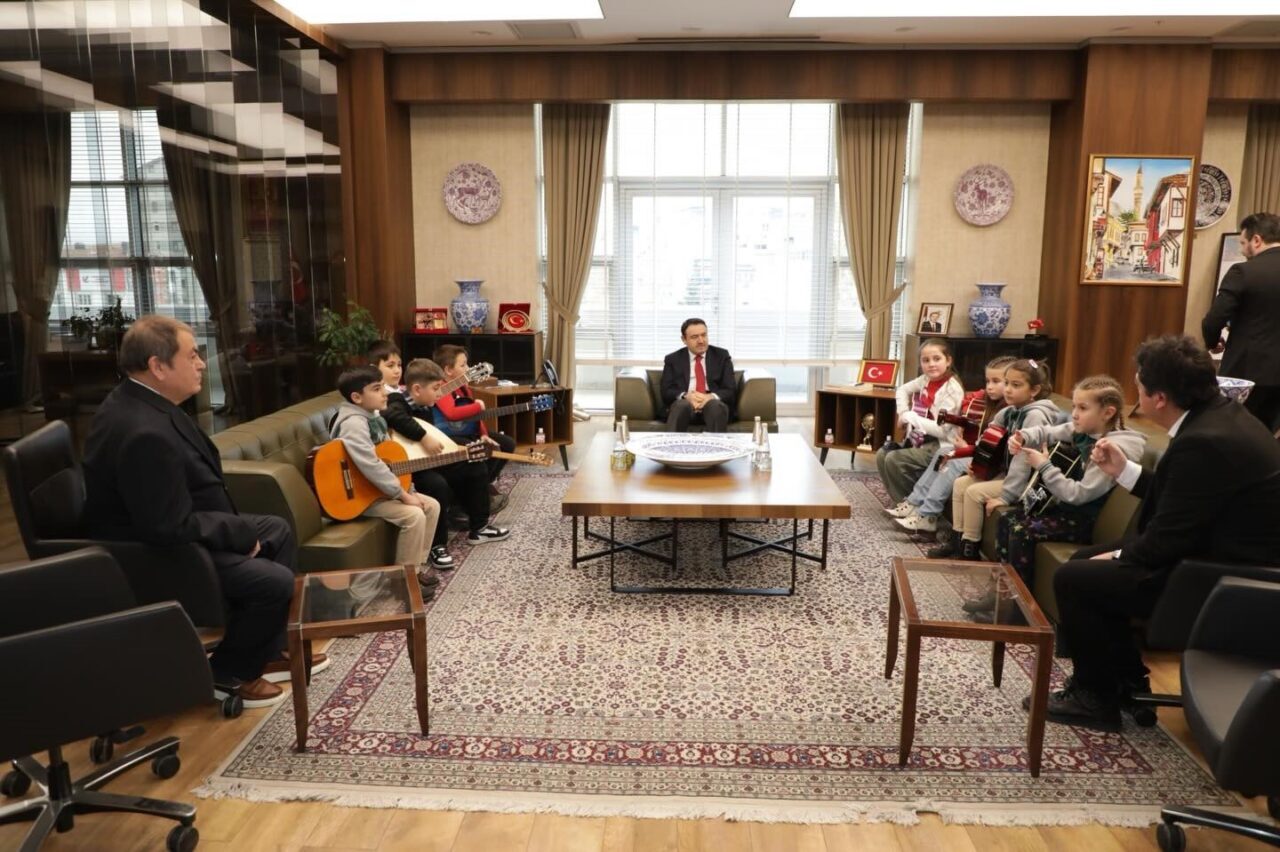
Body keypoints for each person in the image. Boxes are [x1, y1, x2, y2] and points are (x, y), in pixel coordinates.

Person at [1037, 336, 1280, 731]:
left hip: (1217, 575)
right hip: (1209, 550)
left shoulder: (1205, 440)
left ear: (1160, 397)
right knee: (1084, 562)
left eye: (1139, 386)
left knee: (1076, 576)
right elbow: (1186, 500)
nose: (1137, 395)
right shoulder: (1219, 419)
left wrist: (1118, 557)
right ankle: (1125, 681)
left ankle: (1095, 698)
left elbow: (1168, 538)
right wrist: (1124, 471)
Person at [83, 316, 314, 708]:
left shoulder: (143, 401)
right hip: (159, 557)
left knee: (276, 529)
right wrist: (237, 534)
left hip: (180, 529)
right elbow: (166, 526)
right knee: (274, 583)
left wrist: (240, 531)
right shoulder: (143, 432)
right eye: (192, 356)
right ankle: (228, 672)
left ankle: (267, 649)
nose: (202, 364)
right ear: (158, 366)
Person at [969, 375, 1145, 622]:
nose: (1074, 414)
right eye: (1074, 406)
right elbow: (1047, 431)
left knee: (1021, 530)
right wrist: (1022, 436)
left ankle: (1018, 611)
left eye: (1082, 408)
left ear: (1108, 413)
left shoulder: (1111, 448)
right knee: (1007, 520)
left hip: (1084, 519)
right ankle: (1000, 593)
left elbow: (1078, 495)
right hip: (1064, 510)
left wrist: (1044, 466)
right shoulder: (1082, 430)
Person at [929, 359, 1063, 561]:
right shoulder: (1009, 411)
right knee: (960, 484)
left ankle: (969, 549)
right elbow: (986, 441)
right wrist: (976, 465)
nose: (1007, 389)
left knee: (974, 492)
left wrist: (1006, 496)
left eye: (1016, 385)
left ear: (1034, 390)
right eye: (1007, 383)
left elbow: (1022, 462)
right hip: (1007, 474)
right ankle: (957, 541)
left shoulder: (1035, 416)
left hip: (1026, 483)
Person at [329, 366, 442, 592]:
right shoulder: (353, 423)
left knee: (432, 506)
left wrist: (409, 489)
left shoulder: (374, 416)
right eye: (376, 389)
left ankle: (414, 570)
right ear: (357, 397)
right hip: (359, 496)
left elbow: (389, 458)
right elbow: (370, 465)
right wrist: (402, 495)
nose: (384, 393)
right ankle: (401, 581)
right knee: (413, 515)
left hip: (377, 490)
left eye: (382, 387)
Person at [385, 357, 510, 556]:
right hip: (410, 467)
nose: (439, 393)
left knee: (474, 465)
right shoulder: (396, 400)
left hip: (428, 459)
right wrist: (424, 436)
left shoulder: (426, 405)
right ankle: (437, 545)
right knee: (437, 485)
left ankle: (479, 528)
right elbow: (394, 416)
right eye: (436, 389)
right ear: (417, 389)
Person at [891, 355, 1015, 534]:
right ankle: (914, 503)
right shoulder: (990, 403)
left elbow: (996, 451)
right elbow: (983, 437)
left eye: (996, 381)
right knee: (944, 451)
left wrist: (967, 448)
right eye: (988, 381)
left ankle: (927, 516)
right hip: (981, 453)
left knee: (954, 461)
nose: (989, 386)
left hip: (994, 465)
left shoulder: (1009, 411)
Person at [1202, 212, 1280, 432]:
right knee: (1269, 433)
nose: (1242, 250)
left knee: (1235, 430)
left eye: (1243, 243)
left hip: (1247, 371)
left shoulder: (1243, 271)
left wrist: (1212, 341)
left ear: (1257, 240)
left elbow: (1214, 318)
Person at [878, 337, 965, 508]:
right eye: (926, 360)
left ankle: (913, 506)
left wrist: (910, 417)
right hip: (923, 438)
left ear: (948, 361)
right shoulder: (925, 379)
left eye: (937, 359)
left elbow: (942, 430)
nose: (931, 364)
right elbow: (902, 390)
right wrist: (902, 412)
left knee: (894, 459)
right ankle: (902, 501)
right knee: (882, 454)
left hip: (942, 444)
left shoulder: (952, 390)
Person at [433, 344, 514, 513]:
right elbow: (451, 413)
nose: (468, 368)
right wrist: (478, 406)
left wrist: (484, 434)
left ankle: (480, 490)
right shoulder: (440, 387)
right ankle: (475, 497)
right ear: (448, 370)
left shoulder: (463, 387)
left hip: (467, 431)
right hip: (447, 437)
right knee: (481, 452)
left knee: (506, 444)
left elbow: (474, 417)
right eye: (463, 365)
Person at [660, 318, 736, 433]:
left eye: (704, 335)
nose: (701, 340)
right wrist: (686, 396)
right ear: (684, 339)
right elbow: (666, 391)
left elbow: (730, 389)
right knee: (681, 406)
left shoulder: (721, 356)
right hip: (685, 405)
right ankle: (672, 444)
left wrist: (709, 397)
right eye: (694, 337)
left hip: (712, 405)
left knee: (715, 406)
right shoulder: (673, 359)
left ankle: (717, 445)